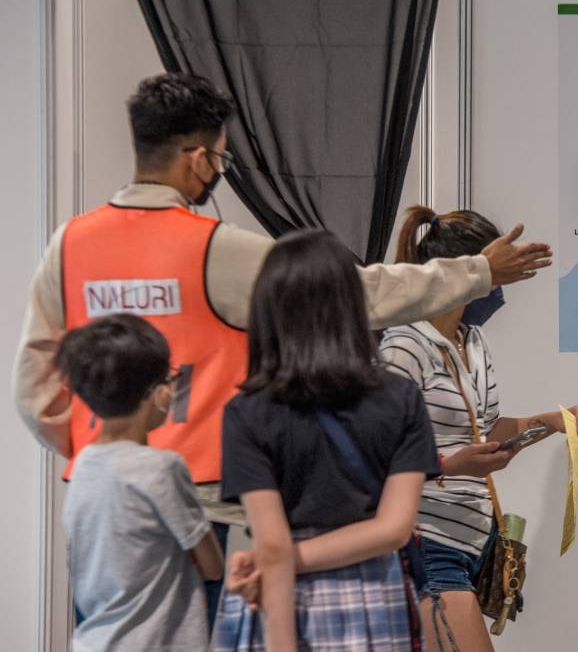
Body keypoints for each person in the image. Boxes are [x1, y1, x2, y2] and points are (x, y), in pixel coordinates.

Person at [13, 73, 551, 621]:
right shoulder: (214, 249)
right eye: (221, 162)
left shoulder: (69, 245)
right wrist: (479, 271)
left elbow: (35, 391)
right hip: (209, 505)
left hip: (99, 501)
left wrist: (103, 454)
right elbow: (359, 294)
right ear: (197, 159)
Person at [381, 206, 578, 652]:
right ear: (467, 273)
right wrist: (450, 465)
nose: (501, 291)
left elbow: (484, 429)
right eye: (498, 276)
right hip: (425, 544)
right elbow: (378, 453)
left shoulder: (471, 341)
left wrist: (551, 423)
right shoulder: (404, 345)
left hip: (470, 542)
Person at [213, 230, 439, 651]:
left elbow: (275, 546)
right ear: (352, 307)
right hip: (377, 595)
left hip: (280, 596)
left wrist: (273, 566)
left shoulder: (247, 412)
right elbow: (394, 529)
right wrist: (278, 560)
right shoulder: (401, 397)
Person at [58, 314, 224, 652]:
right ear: (156, 393)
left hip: (94, 641)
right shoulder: (162, 469)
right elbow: (212, 565)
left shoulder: (83, 467)